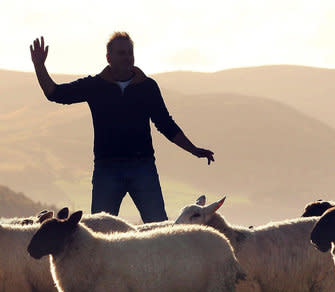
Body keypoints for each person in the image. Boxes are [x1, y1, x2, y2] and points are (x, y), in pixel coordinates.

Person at [29, 32, 214, 223]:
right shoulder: (95, 85)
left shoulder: (148, 87)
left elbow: (165, 124)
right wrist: (39, 66)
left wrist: (194, 150)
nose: (127, 57)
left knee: (159, 226)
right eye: (121, 53)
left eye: (129, 53)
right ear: (109, 57)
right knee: (98, 232)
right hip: (107, 168)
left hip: (143, 166)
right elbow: (54, 93)